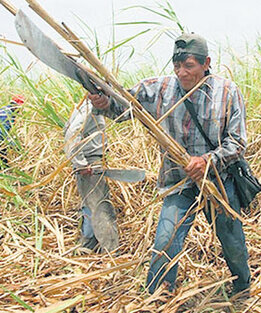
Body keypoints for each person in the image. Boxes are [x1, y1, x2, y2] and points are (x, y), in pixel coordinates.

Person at [89, 33, 251, 295]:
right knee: (166, 239)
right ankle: (157, 296)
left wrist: (208, 160)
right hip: (179, 182)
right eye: (177, 66)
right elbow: (122, 108)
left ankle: (242, 288)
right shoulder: (158, 89)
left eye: (189, 66)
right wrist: (104, 102)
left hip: (220, 183)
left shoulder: (227, 92)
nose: (182, 73)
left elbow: (238, 142)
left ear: (206, 62)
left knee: (232, 242)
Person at [64, 99, 118, 252]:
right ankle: (111, 251)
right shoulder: (89, 107)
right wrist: (81, 163)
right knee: (101, 207)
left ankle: (88, 245)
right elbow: (72, 134)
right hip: (90, 163)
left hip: (89, 162)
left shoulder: (85, 106)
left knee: (90, 204)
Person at [0, 95, 24, 167]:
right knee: (3, 155)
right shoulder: (8, 113)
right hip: (1, 138)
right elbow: (3, 130)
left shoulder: (6, 109)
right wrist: (12, 144)